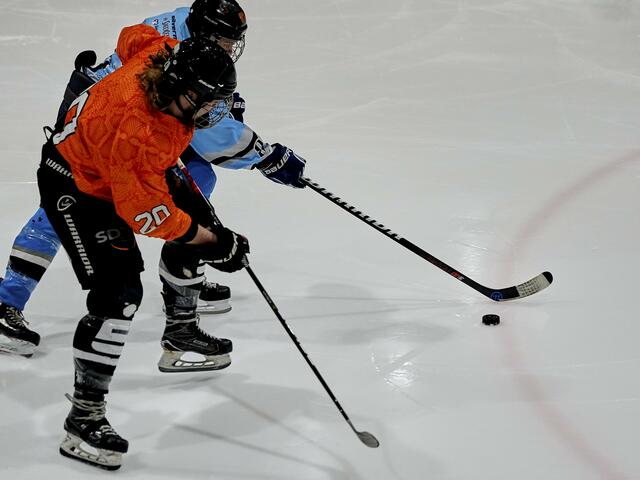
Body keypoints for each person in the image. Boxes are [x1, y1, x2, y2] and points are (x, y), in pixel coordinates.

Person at [0, 0, 307, 369]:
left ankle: (182, 313)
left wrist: (216, 99)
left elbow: (131, 37)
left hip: (136, 104)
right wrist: (266, 156)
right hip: (101, 121)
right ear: (207, 36)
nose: (231, 48)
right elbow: (212, 140)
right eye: (226, 41)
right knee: (66, 207)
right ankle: (6, 301)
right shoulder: (155, 112)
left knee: (197, 188)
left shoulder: (177, 40)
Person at [39, 23, 248, 470]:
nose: (212, 112)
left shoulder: (164, 51)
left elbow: (132, 35)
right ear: (183, 90)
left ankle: (181, 334)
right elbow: (147, 215)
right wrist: (215, 243)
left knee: (202, 221)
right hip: (77, 183)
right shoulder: (141, 133)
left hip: (114, 158)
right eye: (207, 102)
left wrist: (209, 235)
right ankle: (83, 419)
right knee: (119, 295)